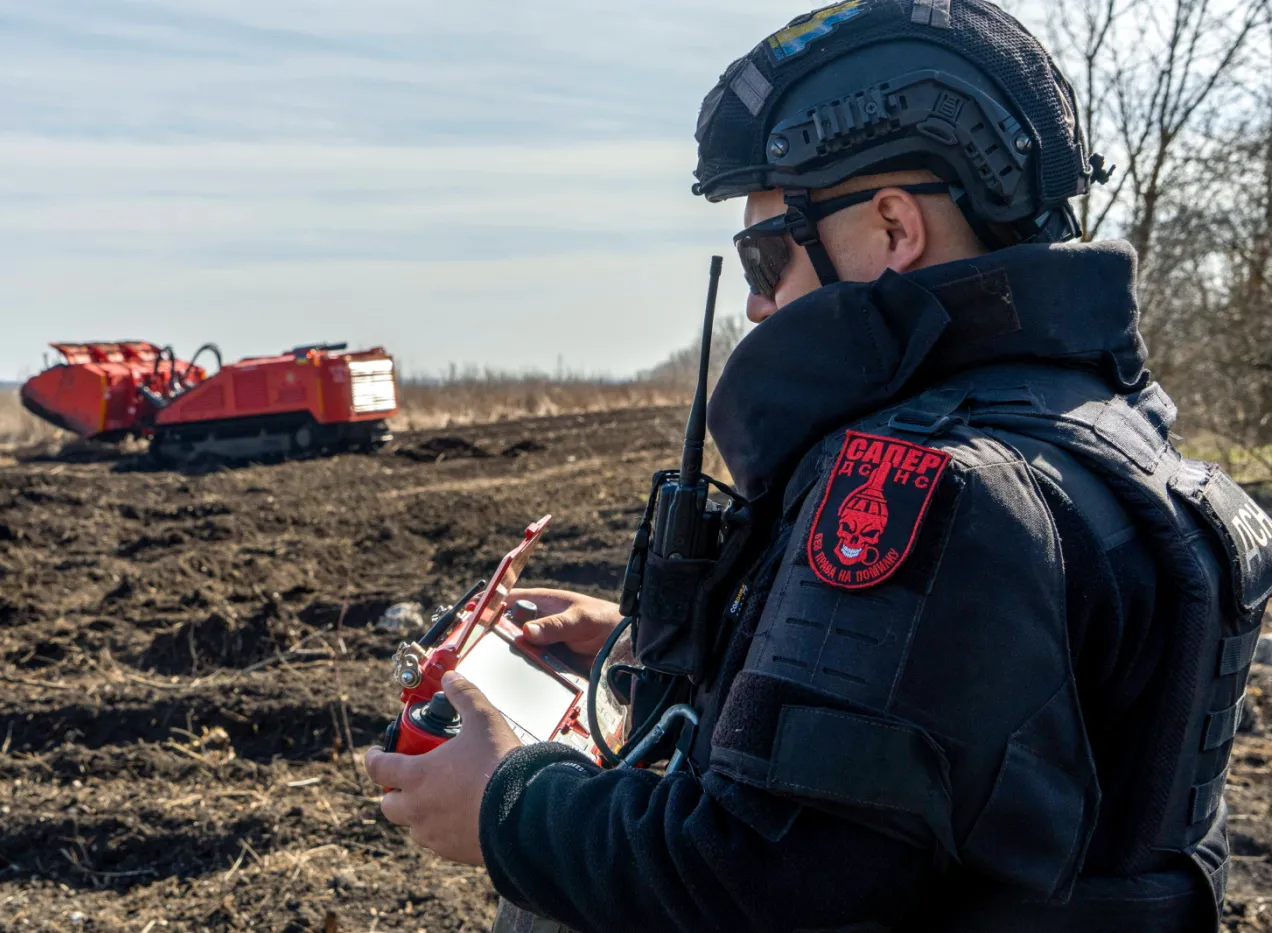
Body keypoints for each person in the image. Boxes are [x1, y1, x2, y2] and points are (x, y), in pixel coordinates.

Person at [364, 2, 1272, 930]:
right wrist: (680, 648)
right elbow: (952, 750)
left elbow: (762, 872)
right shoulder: (1107, 437)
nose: (757, 306)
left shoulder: (931, 486)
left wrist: (509, 808)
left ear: (891, 229)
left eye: (766, 257)